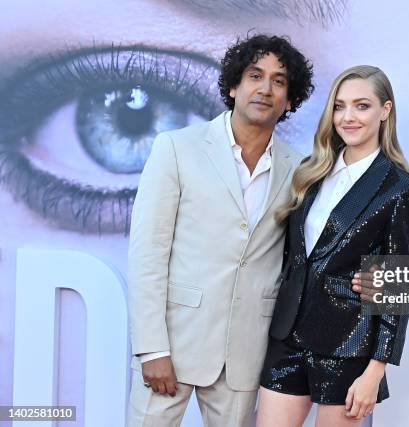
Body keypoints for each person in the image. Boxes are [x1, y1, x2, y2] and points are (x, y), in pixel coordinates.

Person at [126, 34, 314, 426]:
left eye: (279, 81)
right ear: (233, 86)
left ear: (290, 99)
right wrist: (150, 348)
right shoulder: (176, 148)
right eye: (254, 75)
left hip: (246, 351)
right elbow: (148, 253)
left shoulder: (300, 170)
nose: (265, 88)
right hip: (174, 345)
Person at [257, 65, 409, 427]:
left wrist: (375, 371)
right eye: (339, 106)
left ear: (385, 111)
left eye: (362, 106)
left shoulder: (401, 190)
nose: (348, 117)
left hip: (347, 345)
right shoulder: (311, 172)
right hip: (287, 337)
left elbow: (396, 288)